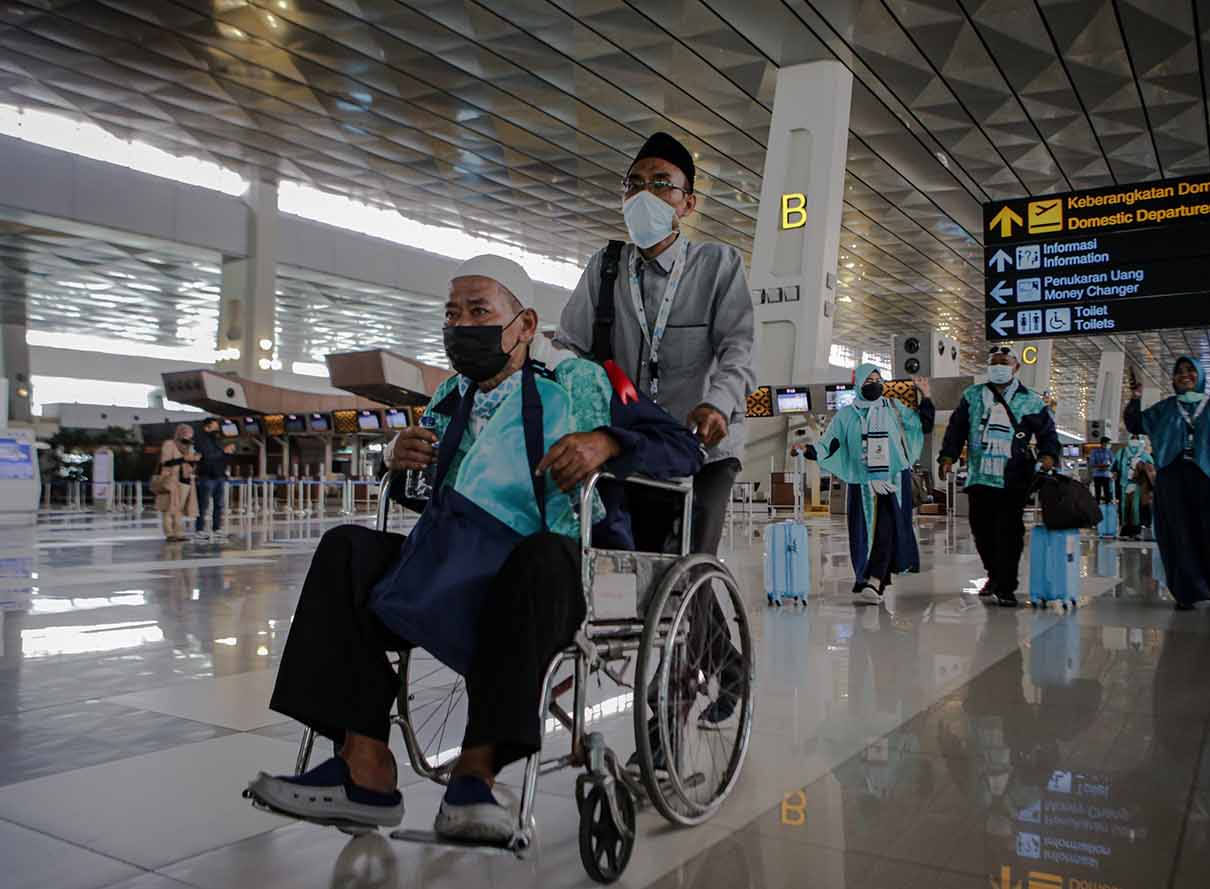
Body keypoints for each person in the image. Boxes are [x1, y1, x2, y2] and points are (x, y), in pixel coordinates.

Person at [246, 255, 704, 842]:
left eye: (479, 311)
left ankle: (477, 774)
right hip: (457, 559)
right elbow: (432, 500)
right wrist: (398, 458)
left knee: (538, 558)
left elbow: (682, 450)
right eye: (452, 313)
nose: (462, 325)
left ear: (525, 324)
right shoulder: (449, 401)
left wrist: (607, 441)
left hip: (553, 566)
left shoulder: (584, 382)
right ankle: (364, 768)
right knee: (346, 550)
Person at [555, 130, 755, 559]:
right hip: (631, 441)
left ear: (688, 202)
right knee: (632, 557)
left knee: (691, 553)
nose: (646, 193)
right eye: (635, 183)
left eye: (662, 182)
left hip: (705, 447)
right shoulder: (605, 268)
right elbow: (570, 348)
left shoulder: (719, 265)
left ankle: (698, 613)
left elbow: (737, 347)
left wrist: (719, 403)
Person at [792, 365, 935, 604]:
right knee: (864, 533)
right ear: (857, 383)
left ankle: (875, 581)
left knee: (887, 529)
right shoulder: (846, 415)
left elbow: (923, 426)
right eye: (868, 380)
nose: (874, 383)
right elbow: (829, 445)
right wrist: (807, 450)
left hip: (894, 481)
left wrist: (926, 396)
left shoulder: (893, 409)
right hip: (862, 483)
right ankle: (868, 578)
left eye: (878, 379)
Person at [937, 346, 1059, 606]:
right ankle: (993, 574)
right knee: (981, 532)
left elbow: (1048, 432)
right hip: (979, 477)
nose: (998, 367)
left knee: (1009, 533)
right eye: (994, 363)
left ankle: (1006, 586)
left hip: (1013, 479)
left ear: (1016, 367)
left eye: (1004, 362)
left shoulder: (1031, 400)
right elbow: (956, 428)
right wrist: (947, 456)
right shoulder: (973, 395)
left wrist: (1049, 455)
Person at [1124, 356, 1210, 610]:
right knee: (1178, 533)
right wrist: (1136, 397)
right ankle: (1186, 591)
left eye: (1190, 370)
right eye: (1179, 371)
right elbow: (1135, 423)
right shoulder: (1165, 409)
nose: (1185, 375)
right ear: (1173, 378)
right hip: (1173, 481)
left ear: (1200, 375)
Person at [193, 417, 235, 541]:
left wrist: (227, 454)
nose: (217, 429)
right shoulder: (200, 440)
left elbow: (220, 457)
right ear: (207, 426)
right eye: (215, 426)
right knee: (203, 505)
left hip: (219, 476)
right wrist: (223, 452)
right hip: (206, 476)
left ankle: (217, 528)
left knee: (219, 504)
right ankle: (199, 529)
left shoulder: (216, 439)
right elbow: (207, 456)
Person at [155, 424, 198, 541]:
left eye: (190, 434)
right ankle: (169, 534)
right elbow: (166, 462)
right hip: (171, 480)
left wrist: (193, 460)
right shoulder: (170, 444)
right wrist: (183, 459)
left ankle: (179, 533)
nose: (188, 436)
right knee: (169, 508)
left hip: (185, 481)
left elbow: (191, 464)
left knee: (179, 509)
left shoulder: (188, 446)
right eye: (186, 433)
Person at [1113, 434, 1154, 539]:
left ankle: (1136, 531)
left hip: (1138, 485)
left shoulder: (1144, 454)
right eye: (1133, 438)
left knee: (1135, 508)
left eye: (1136, 438)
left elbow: (1151, 468)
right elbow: (1115, 467)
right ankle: (1125, 531)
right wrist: (1114, 473)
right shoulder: (1121, 453)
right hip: (1124, 484)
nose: (1134, 440)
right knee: (1124, 508)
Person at [1089, 436, 1114, 504]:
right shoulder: (1094, 452)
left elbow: (1113, 463)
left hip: (1106, 474)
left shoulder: (1109, 452)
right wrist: (1102, 466)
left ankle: (1107, 504)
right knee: (1098, 491)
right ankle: (1097, 505)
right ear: (1103, 443)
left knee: (1107, 491)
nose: (1109, 444)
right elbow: (1092, 463)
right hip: (1097, 474)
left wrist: (1109, 468)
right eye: (1108, 443)